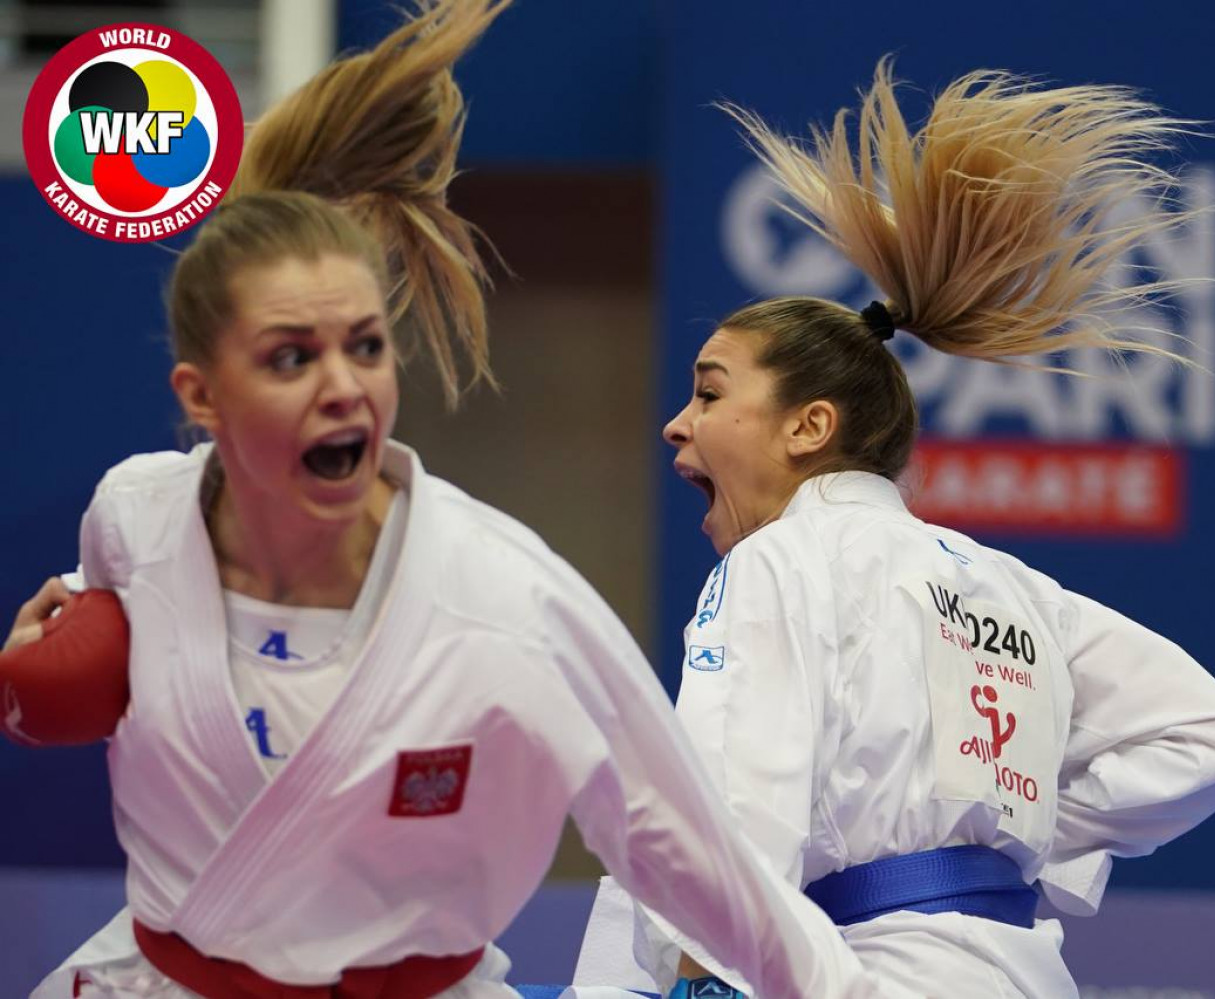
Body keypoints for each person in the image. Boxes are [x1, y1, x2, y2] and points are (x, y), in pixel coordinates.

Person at [8, 7, 910, 998]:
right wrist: (34, 673)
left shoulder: (503, 595)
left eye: (364, 346)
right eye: (290, 358)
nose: (343, 386)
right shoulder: (134, 519)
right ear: (202, 397)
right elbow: (100, 633)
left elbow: (691, 851)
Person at [594, 62, 1215, 998]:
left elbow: (731, 806)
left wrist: (696, 978)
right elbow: (1211, 737)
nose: (678, 423)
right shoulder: (1017, 588)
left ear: (809, 426)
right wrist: (1002, 839)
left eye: (709, 392)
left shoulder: (779, 560)